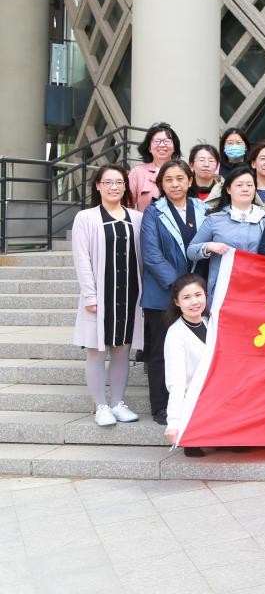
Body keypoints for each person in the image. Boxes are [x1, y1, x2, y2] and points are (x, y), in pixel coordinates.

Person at [73, 165, 143, 427]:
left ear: (125, 186)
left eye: (119, 182)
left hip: (129, 294)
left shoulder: (136, 218)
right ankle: (101, 406)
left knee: (122, 350)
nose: (114, 187)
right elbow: (82, 259)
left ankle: (117, 403)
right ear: (98, 186)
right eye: (108, 182)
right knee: (95, 351)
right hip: (100, 296)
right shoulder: (86, 218)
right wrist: (90, 295)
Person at [140, 160, 207, 425]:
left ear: (190, 181)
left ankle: (197, 402)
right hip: (162, 293)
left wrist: (194, 290)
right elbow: (151, 254)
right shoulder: (153, 213)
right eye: (168, 180)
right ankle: (161, 407)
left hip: (197, 294)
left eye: (180, 178)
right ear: (161, 184)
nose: (175, 184)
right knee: (160, 351)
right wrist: (181, 287)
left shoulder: (203, 209)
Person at [187, 166, 265, 295]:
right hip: (223, 288)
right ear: (228, 189)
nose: (245, 189)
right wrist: (209, 246)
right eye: (239, 185)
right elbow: (191, 251)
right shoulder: (214, 219)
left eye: (249, 185)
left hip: (257, 285)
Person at [162, 273, 212, 457]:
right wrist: (174, 422)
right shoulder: (176, 334)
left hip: (215, 394)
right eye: (187, 297)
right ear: (177, 302)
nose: (194, 302)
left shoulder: (210, 323)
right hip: (193, 400)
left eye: (198, 295)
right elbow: (176, 381)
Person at [128, 122, 182, 211]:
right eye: (157, 141)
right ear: (149, 148)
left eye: (167, 141)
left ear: (174, 147)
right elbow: (126, 205)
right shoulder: (137, 172)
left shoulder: (183, 171)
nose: (162, 145)